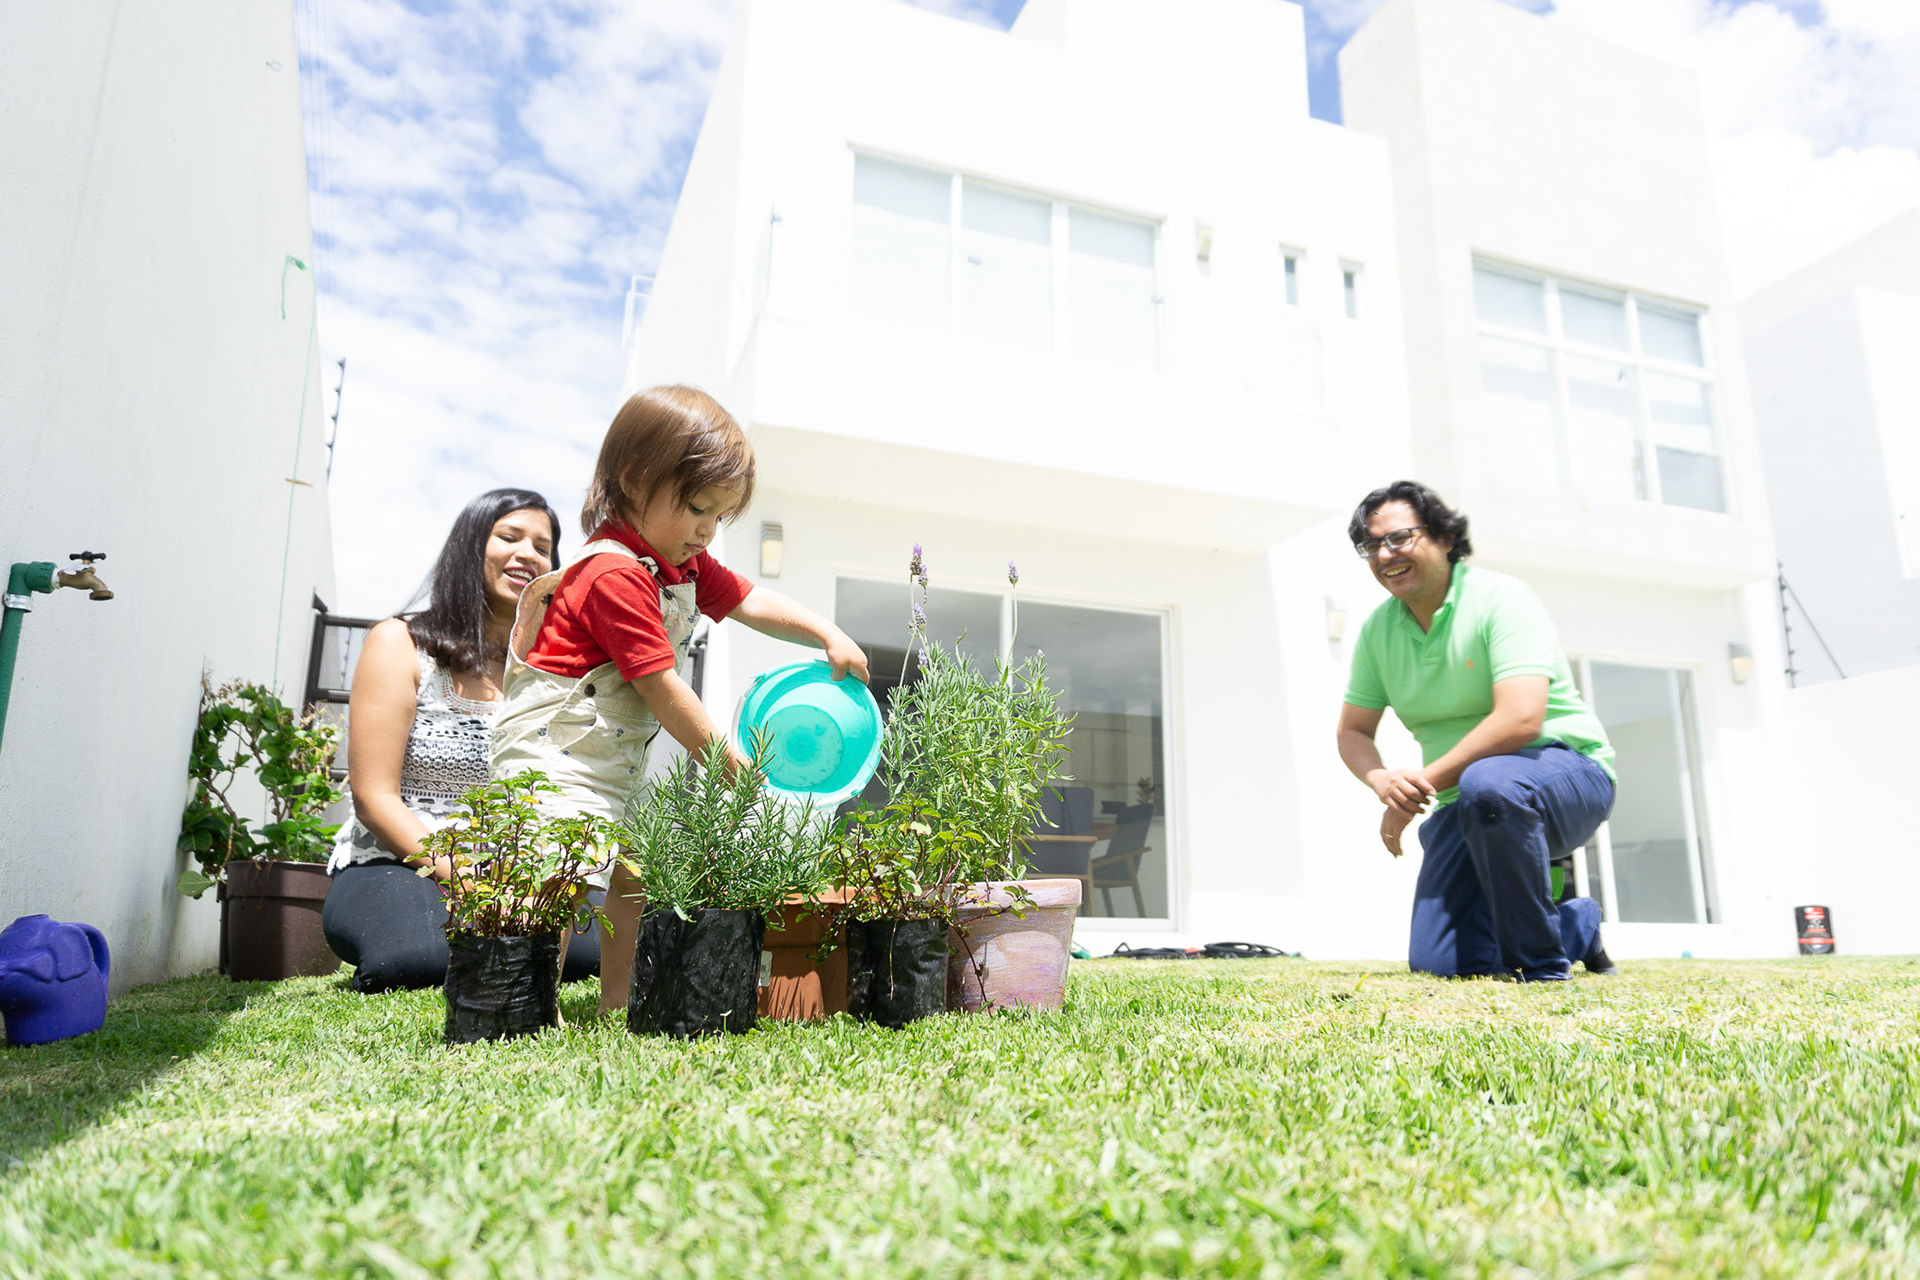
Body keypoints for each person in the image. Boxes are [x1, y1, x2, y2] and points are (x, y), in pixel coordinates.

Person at [492, 385, 870, 1014]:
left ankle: (618, 1000)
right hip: (553, 750)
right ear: (636, 480)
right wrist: (723, 757)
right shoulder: (611, 574)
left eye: (720, 515)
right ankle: (528, 1002)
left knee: (637, 873)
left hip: (614, 752)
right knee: (553, 875)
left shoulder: (681, 567)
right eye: (697, 506)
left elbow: (750, 601)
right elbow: (659, 685)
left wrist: (826, 632)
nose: (707, 529)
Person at [1335, 480, 1619, 981]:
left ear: (1444, 538)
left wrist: (1415, 789)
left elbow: (1520, 719)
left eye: (1399, 537)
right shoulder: (1378, 631)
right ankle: (1577, 925)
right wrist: (1381, 782)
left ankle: (1544, 968)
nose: (1385, 554)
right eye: (1372, 545)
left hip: (1564, 772)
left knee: (1490, 783)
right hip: (1463, 800)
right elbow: (1353, 732)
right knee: (1442, 963)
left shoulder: (1501, 598)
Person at [322, 488, 561, 992]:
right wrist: (465, 879)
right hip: (398, 864)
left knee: (589, 946)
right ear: (472, 546)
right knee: (415, 956)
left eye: (543, 547)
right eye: (509, 537)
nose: (528, 554)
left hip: (512, 876)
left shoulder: (547, 673)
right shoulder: (400, 643)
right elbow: (373, 797)